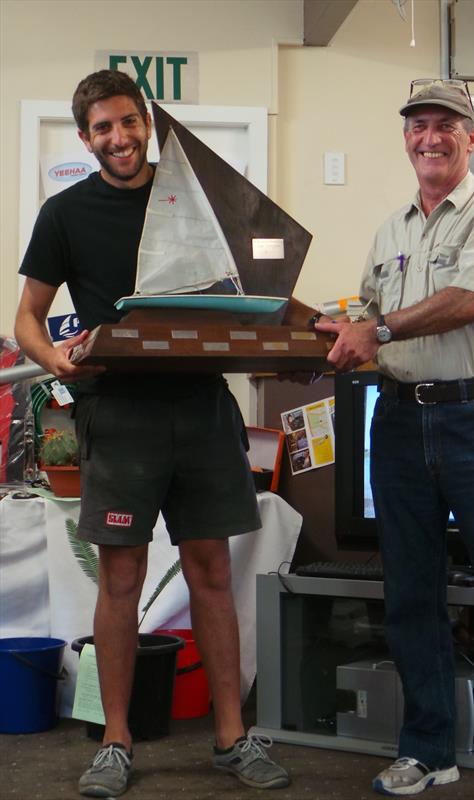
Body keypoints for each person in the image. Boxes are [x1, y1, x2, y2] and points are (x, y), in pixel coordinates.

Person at [15, 69, 289, 798]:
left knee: (210, 574)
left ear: (148, 123)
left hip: (202, 409)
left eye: (128, 123)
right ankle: (116, 740)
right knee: (121, 580)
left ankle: (232, 737)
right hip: (119, 414)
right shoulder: (64, 214)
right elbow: (28, 320)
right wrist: (56, 364)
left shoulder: (195, 203)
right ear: (86, 139)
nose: (119, 138)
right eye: (102, 128)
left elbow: (259, 280)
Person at [315, 79, 474, 800]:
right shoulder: (391, 229)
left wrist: (380, 328)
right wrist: (334, 330)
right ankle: (428, 751)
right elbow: (368, 312)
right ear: (406, 138)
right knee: (409, 595)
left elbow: (472, 301)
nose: (429, 138)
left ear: (471, 138)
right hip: (397, 421)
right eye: (418, 126)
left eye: (445, 126)